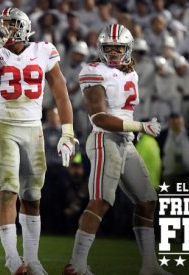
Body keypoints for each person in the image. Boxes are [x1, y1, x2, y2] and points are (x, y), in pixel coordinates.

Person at [0, 7, 76, 275]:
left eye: (12, 25)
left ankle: (32, 259)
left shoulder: (43, 50)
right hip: (3, 126)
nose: (7, 30)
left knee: (33, 196)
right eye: (2, 26)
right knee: (8, 190)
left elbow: (61, 93)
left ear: (24, 27)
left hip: (33, 128)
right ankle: (12, 258)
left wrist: (68, 131)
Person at [63, 24, 170, 275]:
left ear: (128, 49)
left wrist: (135, 129)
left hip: (125, 142)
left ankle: (149, 266)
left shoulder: (130, 73)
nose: (113, 53)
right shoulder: (93, 71)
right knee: (101, 201)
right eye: (109, 48)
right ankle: (76, 264)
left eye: (118, 48)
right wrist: (141, 126)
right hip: (104, 139)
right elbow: (100, 117)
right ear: (101, 49)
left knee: (147, 202)